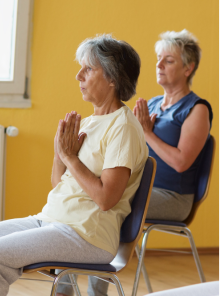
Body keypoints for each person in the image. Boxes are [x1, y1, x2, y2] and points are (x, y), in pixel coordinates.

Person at [0, 34, 148, 296]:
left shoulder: (124, 128)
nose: (78, 76)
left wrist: (71, 157)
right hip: (51, 220)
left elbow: (106, 198)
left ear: (112, 78)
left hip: (87, 235)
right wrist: (58, 154)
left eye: (88, 69)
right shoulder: (87, 123)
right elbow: (60, 185)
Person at [84, 29, 213, 296]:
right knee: (86, 197)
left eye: (168, 60)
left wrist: (148, 133)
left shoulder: (197, 109)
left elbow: (180, 163)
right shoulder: (152, 104)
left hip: (173, 197)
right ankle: (66, 283)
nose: (158, 65)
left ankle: (95, 291)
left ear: (188, 68)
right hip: (142, 189)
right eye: (158, 58)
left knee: (107, 204)